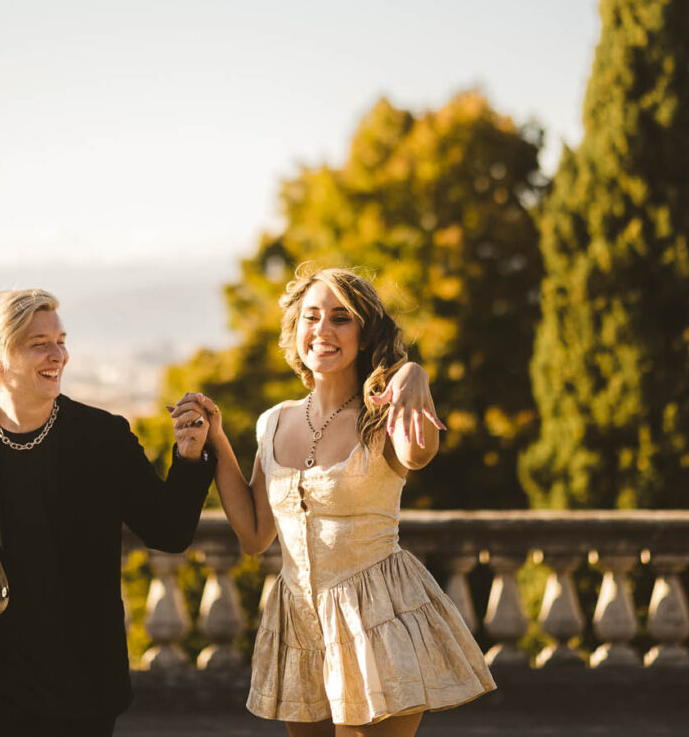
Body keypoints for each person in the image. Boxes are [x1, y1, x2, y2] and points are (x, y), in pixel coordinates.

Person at [182, 266, 494, 736]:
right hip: (300, 627)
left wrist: (414, 374)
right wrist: (218, 441)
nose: (323, 330)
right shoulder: (274, 422)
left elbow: (420, 452)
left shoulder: (384, 414)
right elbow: (253, 534)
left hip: (377, 623)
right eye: (312, 317)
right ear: (296, 330)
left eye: (341, 318)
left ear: (365, 333)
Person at [0, 288, 216, 737]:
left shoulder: (104, 438)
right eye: (40, 344)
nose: (59, 355)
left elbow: (169, 531)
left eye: (61, 339)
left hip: (82, 686)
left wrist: (189, 460)